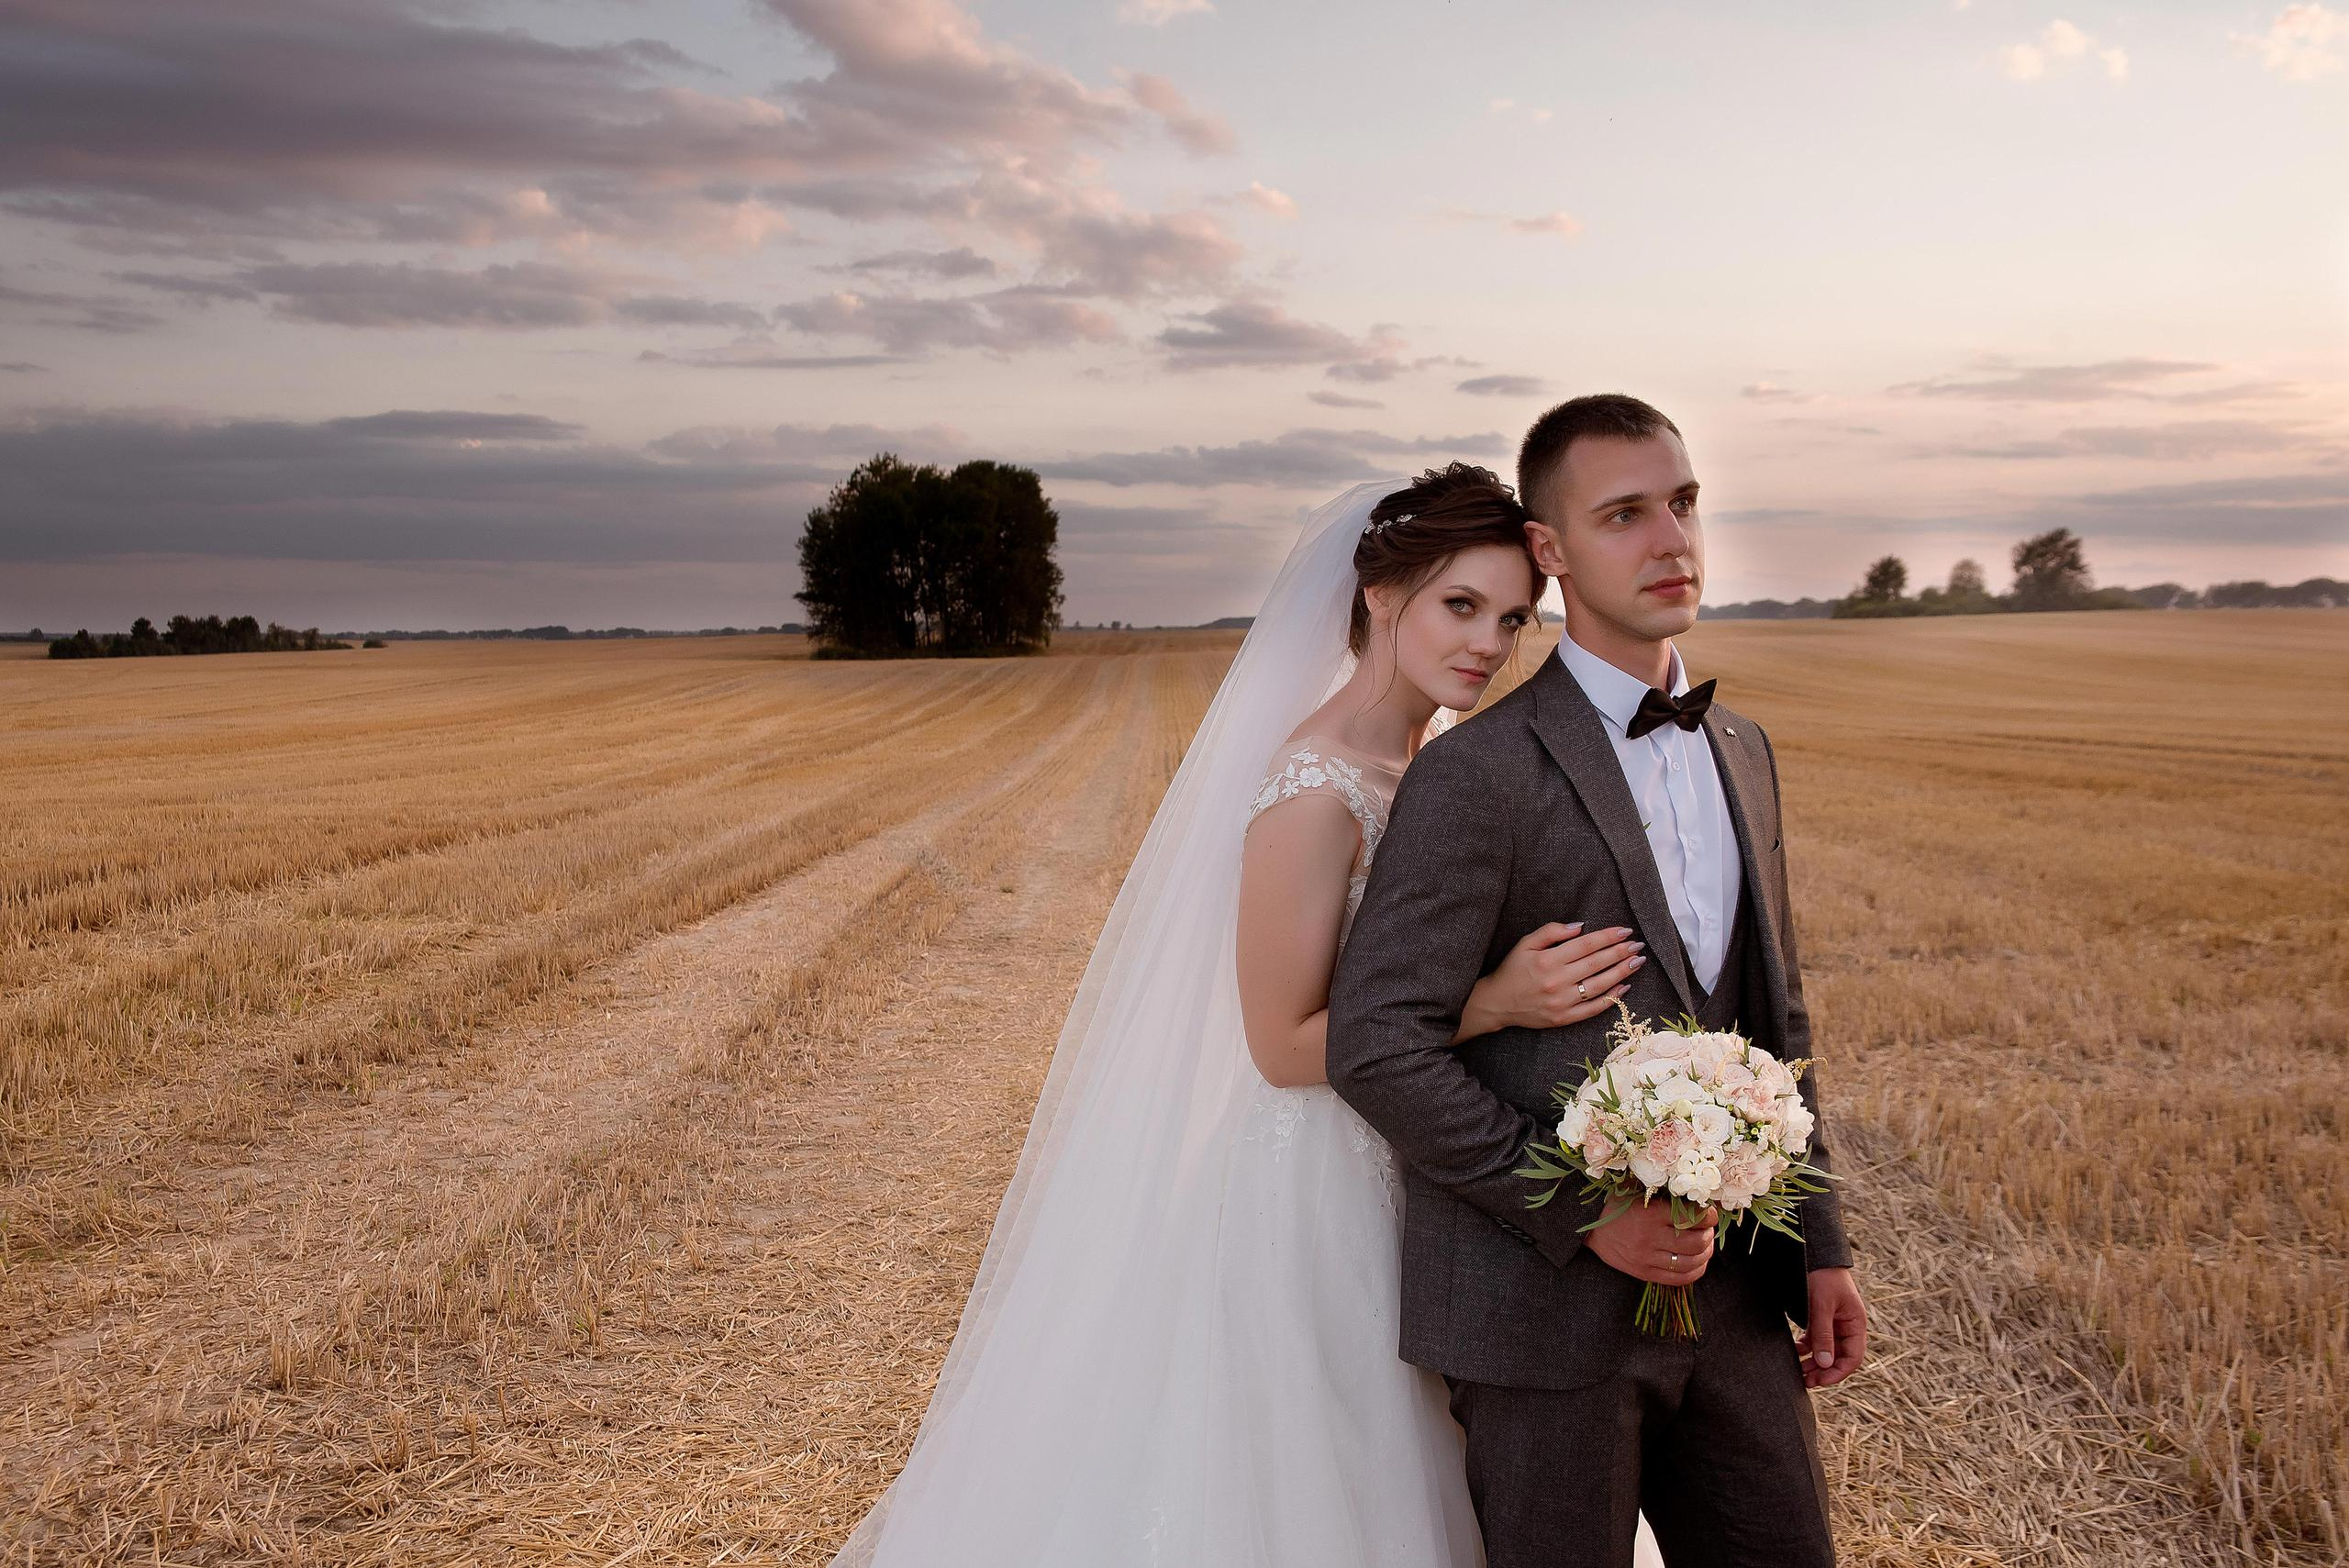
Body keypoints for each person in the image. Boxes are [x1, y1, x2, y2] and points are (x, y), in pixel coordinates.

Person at [830, 464, 1661, 1566]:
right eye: (1460, 604)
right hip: (1319, 1183)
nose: (1487, 643)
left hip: (1428, 1152)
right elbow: (1277, 1044)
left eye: (1512, 618)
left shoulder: (1433, 765)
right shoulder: (1317, 788)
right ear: (1380, 596)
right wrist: (1491, 1001)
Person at [1327, 395, 1869, 1568]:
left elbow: (1775, 1017)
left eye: (1682, 503)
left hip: (1734, 1298)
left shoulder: (1743, 749)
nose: (1670, 539)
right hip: (1537, 1320)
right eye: (1623, 514)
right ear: (1551, 549)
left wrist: (1819, 1243)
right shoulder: (1476, 772)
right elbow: (1374, 1044)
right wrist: (1589, 1212)